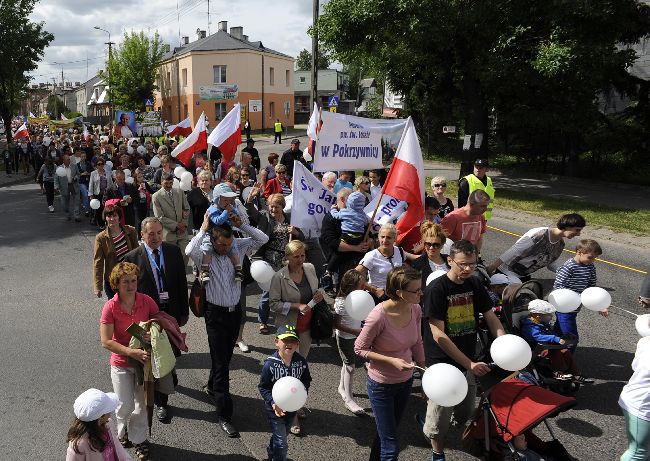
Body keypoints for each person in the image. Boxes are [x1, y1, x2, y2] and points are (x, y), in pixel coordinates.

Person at [420, 240, 506, 461]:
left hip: (468, 359)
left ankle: (433, 419)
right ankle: (437, 451)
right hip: (442, 363)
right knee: (440, 416)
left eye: (472, 264)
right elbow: (438, 335)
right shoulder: (436, 290)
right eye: (462, 264)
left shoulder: (475, 284)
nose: (468, 269)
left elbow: (491, 316)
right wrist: (469, 364)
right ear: (449, 261)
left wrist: (503, 343)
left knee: (465, 411)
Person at [186, 215, 269, 438]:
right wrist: (203, 228)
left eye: (228, 243)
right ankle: (225, 414)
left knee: (223, 356)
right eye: (221, 244)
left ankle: (213, 386)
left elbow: (262, 238)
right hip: (215, 314)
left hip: (235, 314)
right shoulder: (203, 252)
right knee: (222, 364)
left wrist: (241, 224)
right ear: (213, 241)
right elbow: (187, 250)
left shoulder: (237, 247)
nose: (225, 248)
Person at [354, 266, 426, 460]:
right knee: (391, 446)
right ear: (400, 293)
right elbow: (359, 348)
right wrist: (391, 361)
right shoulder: (378, 316)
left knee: (386, 434)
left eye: (421, 288)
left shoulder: (416, 309)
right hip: (381, 386)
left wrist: (424, 369)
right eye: (416, 290)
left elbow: (418, 341)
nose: (421, 293)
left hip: (405, 382)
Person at [123, 217, 190, 423]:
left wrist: (183, 311)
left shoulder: (172, 252)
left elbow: (181, 282)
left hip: (170, 313)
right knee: (155, 358)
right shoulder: (132, 257)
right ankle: (162, 403)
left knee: (171, 352)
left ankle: (170, 377)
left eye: (159, 233)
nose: (156, 237)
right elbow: (126, 289)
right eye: (151, 234)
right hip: (147, 316)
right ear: (142, 235)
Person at [99, 262, 158, 460]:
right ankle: (121, 433)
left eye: (133, 281)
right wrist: (130, 352)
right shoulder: (110, 307)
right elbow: (106, 341)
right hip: (121, 362)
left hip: (143, 363)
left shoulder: (146, 301)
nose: (131, 285)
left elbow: (159, 322)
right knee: (124, 405)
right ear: (116, 284)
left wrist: (153, 333)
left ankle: (139, 440)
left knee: (141, 404)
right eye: (126, 282)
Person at [269, 240, 324, 435]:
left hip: (307, 328)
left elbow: (317, 291)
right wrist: (295, 306)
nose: (301, 260)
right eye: (296, 256)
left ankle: (295, 402)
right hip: (288, 329)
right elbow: (273, 304)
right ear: (287, 257)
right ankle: (291, 414)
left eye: (302, 255)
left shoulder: (309, 268)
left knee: (299, 370)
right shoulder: (279, 277)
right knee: (288, 372)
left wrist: (319, 295)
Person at [245, 190, 304, 334]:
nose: (273, 209)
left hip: (286, 261)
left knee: (287, 294)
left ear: (282, 207)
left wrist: (296, 233)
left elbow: (301, 237)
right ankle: (263, 321)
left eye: (276, 206)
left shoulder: (290, 218)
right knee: (267, 293)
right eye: (271, 206)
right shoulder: (265, 217)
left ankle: (285, 324)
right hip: (270, 259)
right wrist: (250, 200)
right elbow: (253, 213)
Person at [258, 325, 312, 460]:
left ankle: (272, 453)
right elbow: (263, 387)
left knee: (280, 436)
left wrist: (301, 394)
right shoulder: (270, 364)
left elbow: (306, 379)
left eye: (293, 340)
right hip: (275, 409)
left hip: (292, 409)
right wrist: (273, 402)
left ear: (297, 344)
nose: (289, 343)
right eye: (285, 340)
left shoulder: (301, 362)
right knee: (282, 444)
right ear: (276, 342)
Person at [486, 213, 587, 279]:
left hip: (523, 275)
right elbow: (514, 250)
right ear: (567, 226)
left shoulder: (560, 245)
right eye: (577, 230)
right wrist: (491, 268)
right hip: (507, 271)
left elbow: (551, 264)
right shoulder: (539, 234)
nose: (578, 234)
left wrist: (567, 273)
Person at [553, 239, 606, 353]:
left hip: (575, 308)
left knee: (558, 331)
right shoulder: (568, 267)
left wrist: (600, 305)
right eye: (590, 257)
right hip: (564, 308)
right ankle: (566, 364)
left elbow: (591, 288)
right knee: (571, 338)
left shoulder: (590, 267)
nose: (593, 261)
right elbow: (558, 286)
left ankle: (550, 353)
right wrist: (575, 297)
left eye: (595, 258)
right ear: (579, 252)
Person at [519, 299, 586, 383]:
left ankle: (575, 373)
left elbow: (550, 332)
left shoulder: (542, 322)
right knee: (556, 352)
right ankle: (558, 373)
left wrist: (561, 338)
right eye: (548, 315)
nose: (551, 316)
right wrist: (555, 338)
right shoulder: (530, 327)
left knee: (565, 351)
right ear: (538, 317)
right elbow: (537, 336)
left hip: (546, 346)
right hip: (537, 349)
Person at [320, 188, 371, 293]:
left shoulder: (360, 215)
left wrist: (369, 243)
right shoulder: (331, 217)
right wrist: (356, 248)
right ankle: (328, 272)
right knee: (344, 290)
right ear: (343, 199)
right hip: (341, 263)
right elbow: (332, 242)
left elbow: (369, 235)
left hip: (359, 262)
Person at [356, 223, 417, 303]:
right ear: (378, 237)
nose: (384, 240)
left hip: (396, 298)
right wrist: (374, 290)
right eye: (382, 237)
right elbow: (355, 275)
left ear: (395, 239)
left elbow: (416, 258)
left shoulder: (399, 251)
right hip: (377, 299)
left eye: (388, 237)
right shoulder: (371, 256)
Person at [334, 269, 367, 416]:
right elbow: (337, 325)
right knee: (350, 366)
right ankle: (348, 399)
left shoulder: (358, 298)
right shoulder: (341, 302)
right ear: (351, 285)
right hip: (345, 338)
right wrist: (355, 331)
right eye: (361, 285)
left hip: (355, 335)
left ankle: (342, 387)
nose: (364, 288)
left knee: (347, 362)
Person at [66, 388, 131, 461]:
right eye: (108, 411)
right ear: (101, 416)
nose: (110, 414)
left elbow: (117, 446)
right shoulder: (79, 443)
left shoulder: (109, 425)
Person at [198, 183, 245, 283]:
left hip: (226, 234)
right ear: (217, 199)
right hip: (212, 234)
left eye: (229, 200)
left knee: (233, 245)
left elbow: (235, 212)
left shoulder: (227, 207)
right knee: (207, 246)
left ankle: (238, 269)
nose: (227, 202)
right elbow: (218, 221)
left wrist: (234, 214)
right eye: (225, 200)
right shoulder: (212, 209)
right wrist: (226, 212)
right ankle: (204, 269)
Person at [93, 204, 139, 299]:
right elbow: (98, 263)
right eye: (109, 216)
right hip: (113, 281)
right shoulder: (101, 238)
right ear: (105, 218)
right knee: (117, 309)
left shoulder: (131, 231)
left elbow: (138, 255)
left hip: (130, 278)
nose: (112, 219)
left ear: (119, 217)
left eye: (114, 216)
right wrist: (98, 287)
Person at [619, 333, 650, 461]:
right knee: (638, 453)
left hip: (634, 397)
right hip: (642, 405)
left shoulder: (645, 341)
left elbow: (635, 366)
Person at [151, 171, 191, 266]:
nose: (169, 185)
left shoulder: (179, 192)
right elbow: (159, 217)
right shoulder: (156, 196)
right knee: (171, 260)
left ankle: (182, 276)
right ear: (161, 182)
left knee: (185, 255)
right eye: (166, 183)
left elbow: (186, 209)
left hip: (182, 232)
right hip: (168, 234)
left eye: (171, 183)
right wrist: (176, 225)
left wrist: (184, 224)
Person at [412, 222, 449, 290]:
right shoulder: (418, 264)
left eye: (436, 245)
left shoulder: (450, 260)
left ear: (442, 245)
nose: (431, 248)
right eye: (428, 244)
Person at [55, 154, 81, 222]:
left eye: (69, 159)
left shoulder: (74, 166)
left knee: (76, 201)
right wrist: (56, 186)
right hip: (64, 187)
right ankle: (67, 214)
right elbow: (56, 178)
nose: (69, 161)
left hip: (74, 185)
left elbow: (78, 174)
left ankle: (76, 216)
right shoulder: (59, 168)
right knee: (64, 203)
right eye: (67, 159)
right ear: (63, 161)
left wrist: (75, 178)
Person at [89, 159, 114, 227]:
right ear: (96, 165)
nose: (100, 166)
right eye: (99, 164)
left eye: (102, 164)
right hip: (97, 194)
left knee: (106, 209)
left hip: (106, 194)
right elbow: (91, 184)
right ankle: (101, 224)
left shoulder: (108, 173)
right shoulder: (93, 173)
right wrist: (91, 195)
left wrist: (114, 190)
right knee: (99, 210)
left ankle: (107, 223)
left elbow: (111, 183)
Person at [77, 148, 93, 217]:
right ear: (79, 157)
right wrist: (81, 174)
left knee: (89, 195)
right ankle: (87, 210)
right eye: (82, 156)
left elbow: (93, 172)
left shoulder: (89, 163)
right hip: (81, 182)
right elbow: (75, 174)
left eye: (84, 156)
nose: (83, 158)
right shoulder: (77, 165)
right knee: (85, 195)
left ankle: (89, 207)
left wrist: (88, 173)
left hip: (89, 181)